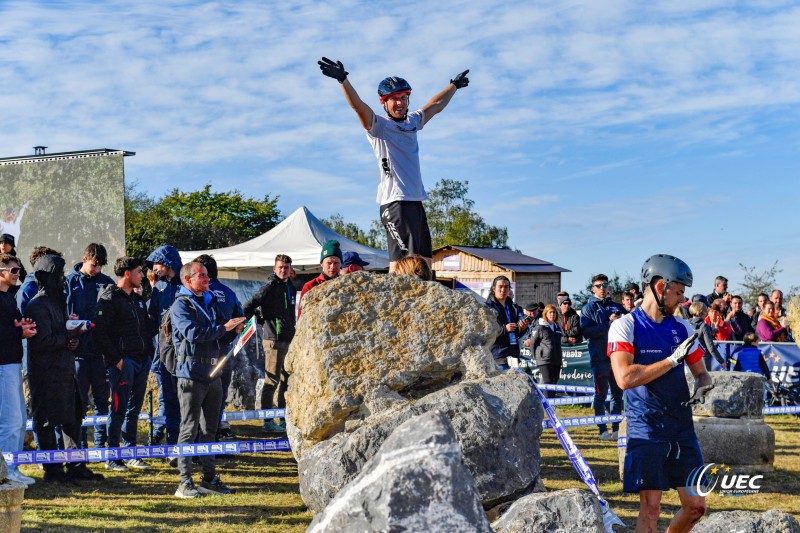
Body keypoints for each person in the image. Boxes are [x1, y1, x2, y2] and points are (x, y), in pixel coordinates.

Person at [318, 57, 469, 272]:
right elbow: (358, 107)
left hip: (415, 201)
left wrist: (453, 86)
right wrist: (343, 80)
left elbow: (435, 105)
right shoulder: (379, 126)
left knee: (425, 262)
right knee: (401, 265)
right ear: (384, 103)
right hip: (394, 203)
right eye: (393, 99)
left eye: (403, 97)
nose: (399, 103)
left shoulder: (412, 122)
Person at [608, 254, 712, 532]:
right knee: (651, 509)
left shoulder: (683, 327)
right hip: (647, 428)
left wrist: (703, 386)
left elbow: (702, 373)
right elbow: (624, 378)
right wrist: (671, 361)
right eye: (678, 292)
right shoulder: (625, 326)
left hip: (681, 428)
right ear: (659, 285)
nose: (682, 300)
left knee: (696, 506)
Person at [24, 254, 104, 483]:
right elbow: (42, 341)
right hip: (46, 373)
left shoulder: (58, 302)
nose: (63, 279)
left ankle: (76, 465)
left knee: (73, 419)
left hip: (65, 369)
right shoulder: (37, 305)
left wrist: (73, 339)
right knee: (48, 421)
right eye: (59, 275)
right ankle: (53, 470)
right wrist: (69, 335)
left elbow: (63, 335)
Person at [172, 262, 245, 499]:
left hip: (213, 372)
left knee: (210, 429)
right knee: (189, 428)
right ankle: (184, 482)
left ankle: (209, 478)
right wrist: (222, 329)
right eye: (201, 276)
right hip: (191, 373)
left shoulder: (210, 300)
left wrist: (233, 332)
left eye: (206, 275)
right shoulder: (180, 305)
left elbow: (217, 337)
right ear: (187, 280)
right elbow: (193, 333)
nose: (207, 279)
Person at [94, 257, 159, 471]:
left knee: (134, 409)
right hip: (123, 364)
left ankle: (130, 452)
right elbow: (100, 333)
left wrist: (148, 353)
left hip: (141, 361)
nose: (143, 275)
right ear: (127, 273)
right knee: (118, 409)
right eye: (139, 271)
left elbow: (147, 328)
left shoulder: (138, 299)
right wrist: (117, 360)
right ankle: (113, 457)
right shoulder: (109, 298)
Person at [65, 243, 115, 451]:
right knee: (80, 403)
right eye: (94, 265)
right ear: (84, 259)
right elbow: (63, 314)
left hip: (100, 353)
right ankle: (82, 447)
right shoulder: (70, 282)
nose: (97, 270)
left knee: (103, 402)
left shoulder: (106, 282)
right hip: (77, 354)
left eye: (101, 266)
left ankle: (102, 445)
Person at [243, 254, 297, 434]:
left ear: (290, 269)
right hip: (273, 339)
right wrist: (259, 319)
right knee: (271, 380)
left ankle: (282, 418)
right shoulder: (269, 286)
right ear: (274, 268)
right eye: (280, 267)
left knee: (286, 380)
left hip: (289, 338)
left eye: (286, 267)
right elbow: (249, 305)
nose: (283, 270)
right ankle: (267, 420)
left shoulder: (289, 285)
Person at [193, 254, 245, 440]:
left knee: (199, 398)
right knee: (219, 397)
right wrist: (229, 335)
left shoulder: (198, 293)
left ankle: (202, 440)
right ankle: (216, 437)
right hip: (224, 352)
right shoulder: (229, 292)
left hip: (202, 353)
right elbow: (241, 320)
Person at [0, 253, 37, 486]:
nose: (18, 275)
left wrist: (22, 325)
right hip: (3, 366)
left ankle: (12, 467)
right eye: (13, 271)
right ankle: (5, 471)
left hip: (13, 363)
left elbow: (12, 324)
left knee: (20, 419)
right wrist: (19, 332)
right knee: (10, 420)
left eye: (19, 271)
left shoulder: (9, 298)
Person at [146, 245, 183, 447]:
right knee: (168, 398)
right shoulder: (159, 287)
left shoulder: (186, 284)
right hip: (164, 349)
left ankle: (189, 444)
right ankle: (171, 440)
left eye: (157, 264)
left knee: (186, 399)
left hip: (185, 350)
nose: (154, 269)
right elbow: (152, 318)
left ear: (168, 262)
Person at [580, 274, 625, 441]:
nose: (602, 288)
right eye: (598, 285)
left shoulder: (616, 306)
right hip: (599, 357)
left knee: (617, 395)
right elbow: (587, 331)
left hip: (617, 356)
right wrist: (609, 324)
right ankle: (602, 430)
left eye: (605, 285)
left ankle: (616, 428)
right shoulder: (588, 308)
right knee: (600, 395)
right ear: (593, 288)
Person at [485, 276, 526, 370]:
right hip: (498, 357)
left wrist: (522, 328)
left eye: (506, 287)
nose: (503, 289)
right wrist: (504, 329)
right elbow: (486, 331)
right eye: (500, 286)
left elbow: (517, 332)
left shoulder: (512, 307)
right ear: (493, 288)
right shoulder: (487, 308)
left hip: (513, 355)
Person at [299, 240, 342, 317]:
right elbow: (301, 316)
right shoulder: (310, 286)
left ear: (341, 263)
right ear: (321, 263)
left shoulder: (346, 286)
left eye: (336, 263)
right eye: (329, 263)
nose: (332, 267)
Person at [529, 304, 563, 397]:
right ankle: (546, 404)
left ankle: (551, 406)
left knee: (554, 383)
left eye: (554, 312)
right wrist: (536, 356)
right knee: (547, 382)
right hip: (544, 360)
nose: (552, 314)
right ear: (546, 314)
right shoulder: (540, 326)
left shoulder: (557, 327)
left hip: (556, 359)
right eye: (550, 312)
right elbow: (533, 343)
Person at [688, 301, 727, 370]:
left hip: (689, 358)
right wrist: (721, 361)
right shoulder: (704, 326)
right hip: (703, 359)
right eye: (706, 311)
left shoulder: (687, 323)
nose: (707, 314)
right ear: (702, 312)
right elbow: (711, 347)